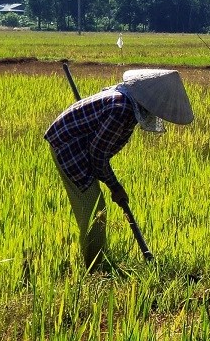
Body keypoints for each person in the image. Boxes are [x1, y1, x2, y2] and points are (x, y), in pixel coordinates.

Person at [44, 69, 194, 271]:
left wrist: (111, 182)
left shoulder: (126, 100)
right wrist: (115, 187)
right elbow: (97, 155)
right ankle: (94, 269)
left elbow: (98, 148)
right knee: (95, 212)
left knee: (96, 208)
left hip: (81, 144)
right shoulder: (121, 110)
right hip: (68, 145)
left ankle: (97, 263)